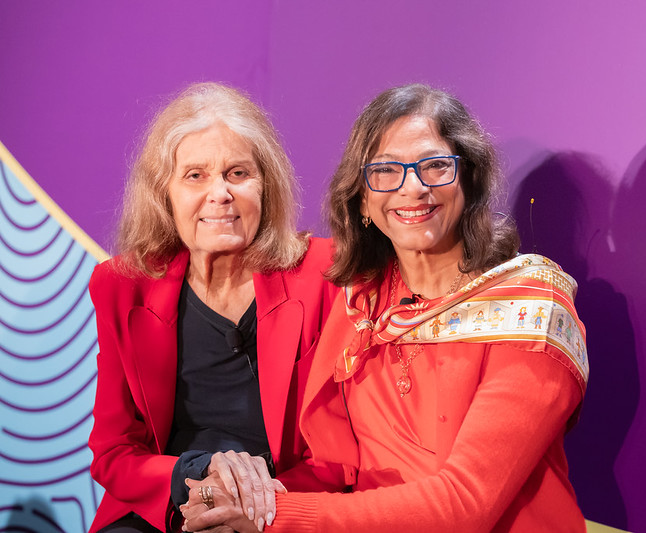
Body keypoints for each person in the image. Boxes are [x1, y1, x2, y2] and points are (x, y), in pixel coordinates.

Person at [182, 83, 589, 532]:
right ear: (361, 198)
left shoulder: (530, 308)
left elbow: (464, 505)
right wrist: (240, 497)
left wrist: (270, 518)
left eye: (435, 166)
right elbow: (337, 471)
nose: (413, 188)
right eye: (386, 171)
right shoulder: (361, 301)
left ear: (468, 178)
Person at [88, 82, 339, 533]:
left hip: (283, 501)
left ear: (267, 185)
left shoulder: (323, 275)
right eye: (195, 175)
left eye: (238, 173)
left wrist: (254, 502)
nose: (220, 193)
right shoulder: (122, 286)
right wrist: (198, 477)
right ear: (164, 194)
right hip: (167, 505)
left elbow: (339, 456)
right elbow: (114, 454)